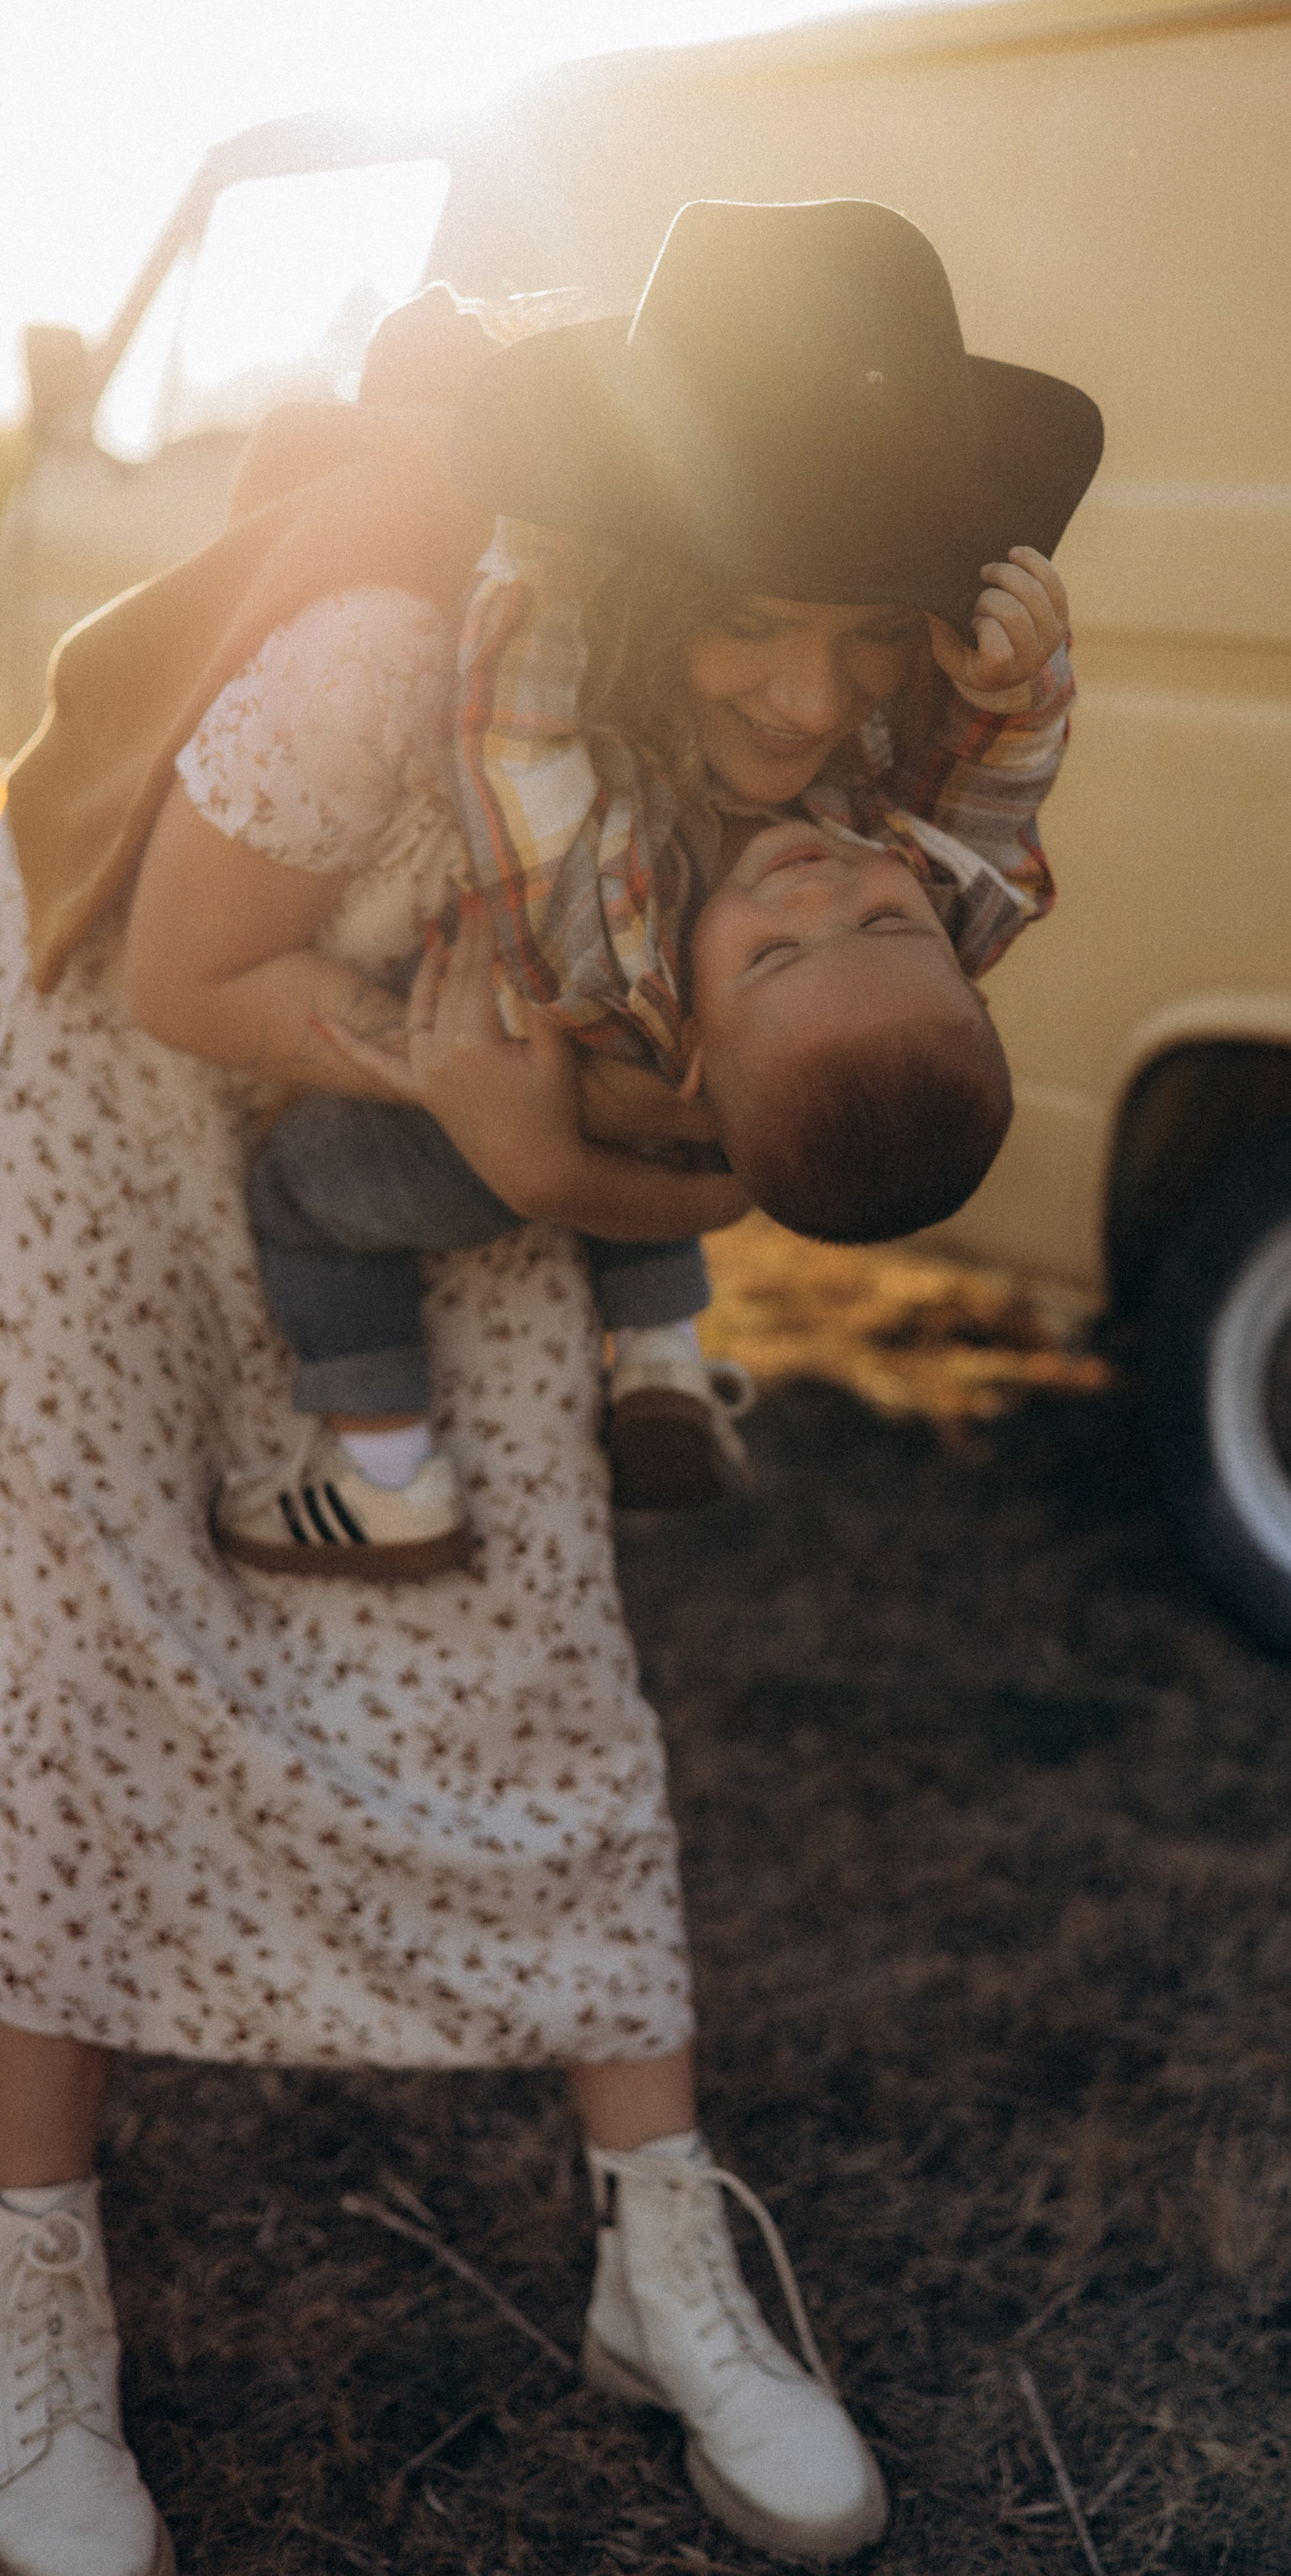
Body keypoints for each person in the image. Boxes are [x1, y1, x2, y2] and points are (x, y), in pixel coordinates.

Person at [0, 196, 1102, 2576]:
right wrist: (500, 1126)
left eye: (864, 633)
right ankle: (32, 2313)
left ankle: (658, 2265)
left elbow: (808, 1066)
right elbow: (182, 973)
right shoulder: (399, 656)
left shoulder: (845, 757)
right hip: (141, 1125)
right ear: (640, 561)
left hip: (445, 1130)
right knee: (76, 1700)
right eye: (754, 624)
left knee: (546, 1674)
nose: (810, 706)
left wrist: (556, 1158)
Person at [192, 199, 1092, 1570]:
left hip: (462, 1147)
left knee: (309, 1197)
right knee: (694, 1150)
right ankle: (663, 1356)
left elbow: (519, 745)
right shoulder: (907, 928)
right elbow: (986, 805)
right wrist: (1016, 688)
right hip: (645, 1133)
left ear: (694, 1059)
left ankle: (384, 1472)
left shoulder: (610, 939)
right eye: (884, 915)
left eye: (775, 954)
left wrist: (551, 547)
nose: (821, 888)